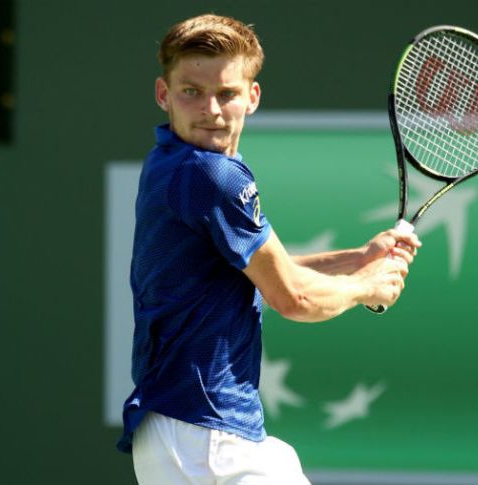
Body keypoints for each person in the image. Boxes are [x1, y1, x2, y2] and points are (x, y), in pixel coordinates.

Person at [116, 13, 422, 485]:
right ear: (164, 94)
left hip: (181, 434)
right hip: (205, 436)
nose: (211, 109)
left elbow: (264, 274)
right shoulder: (210, 175)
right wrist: (367, 286)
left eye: (227, 93)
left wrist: (359, 258)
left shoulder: (171, 164)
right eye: (191, 92)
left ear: (252, 97)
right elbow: (292, 298)